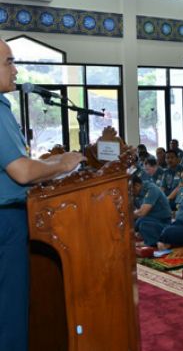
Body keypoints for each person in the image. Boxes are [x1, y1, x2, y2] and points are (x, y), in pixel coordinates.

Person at [0, 38, 85, 351]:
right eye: (8, 61)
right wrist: (62, 163)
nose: (15, 69)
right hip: (5, 222)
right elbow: (21, 171)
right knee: (9, 314)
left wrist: (50, 164)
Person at [131, 175, 172, 246]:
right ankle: (143, 234)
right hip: (150, 219)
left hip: (163, 221)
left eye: (130, 189)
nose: (129, 192)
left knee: (142, 224)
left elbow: (142, 212)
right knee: (135, 223)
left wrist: (125, 217)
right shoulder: (136, 193)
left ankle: (150, 242)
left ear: (137, 185)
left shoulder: (151, 189)